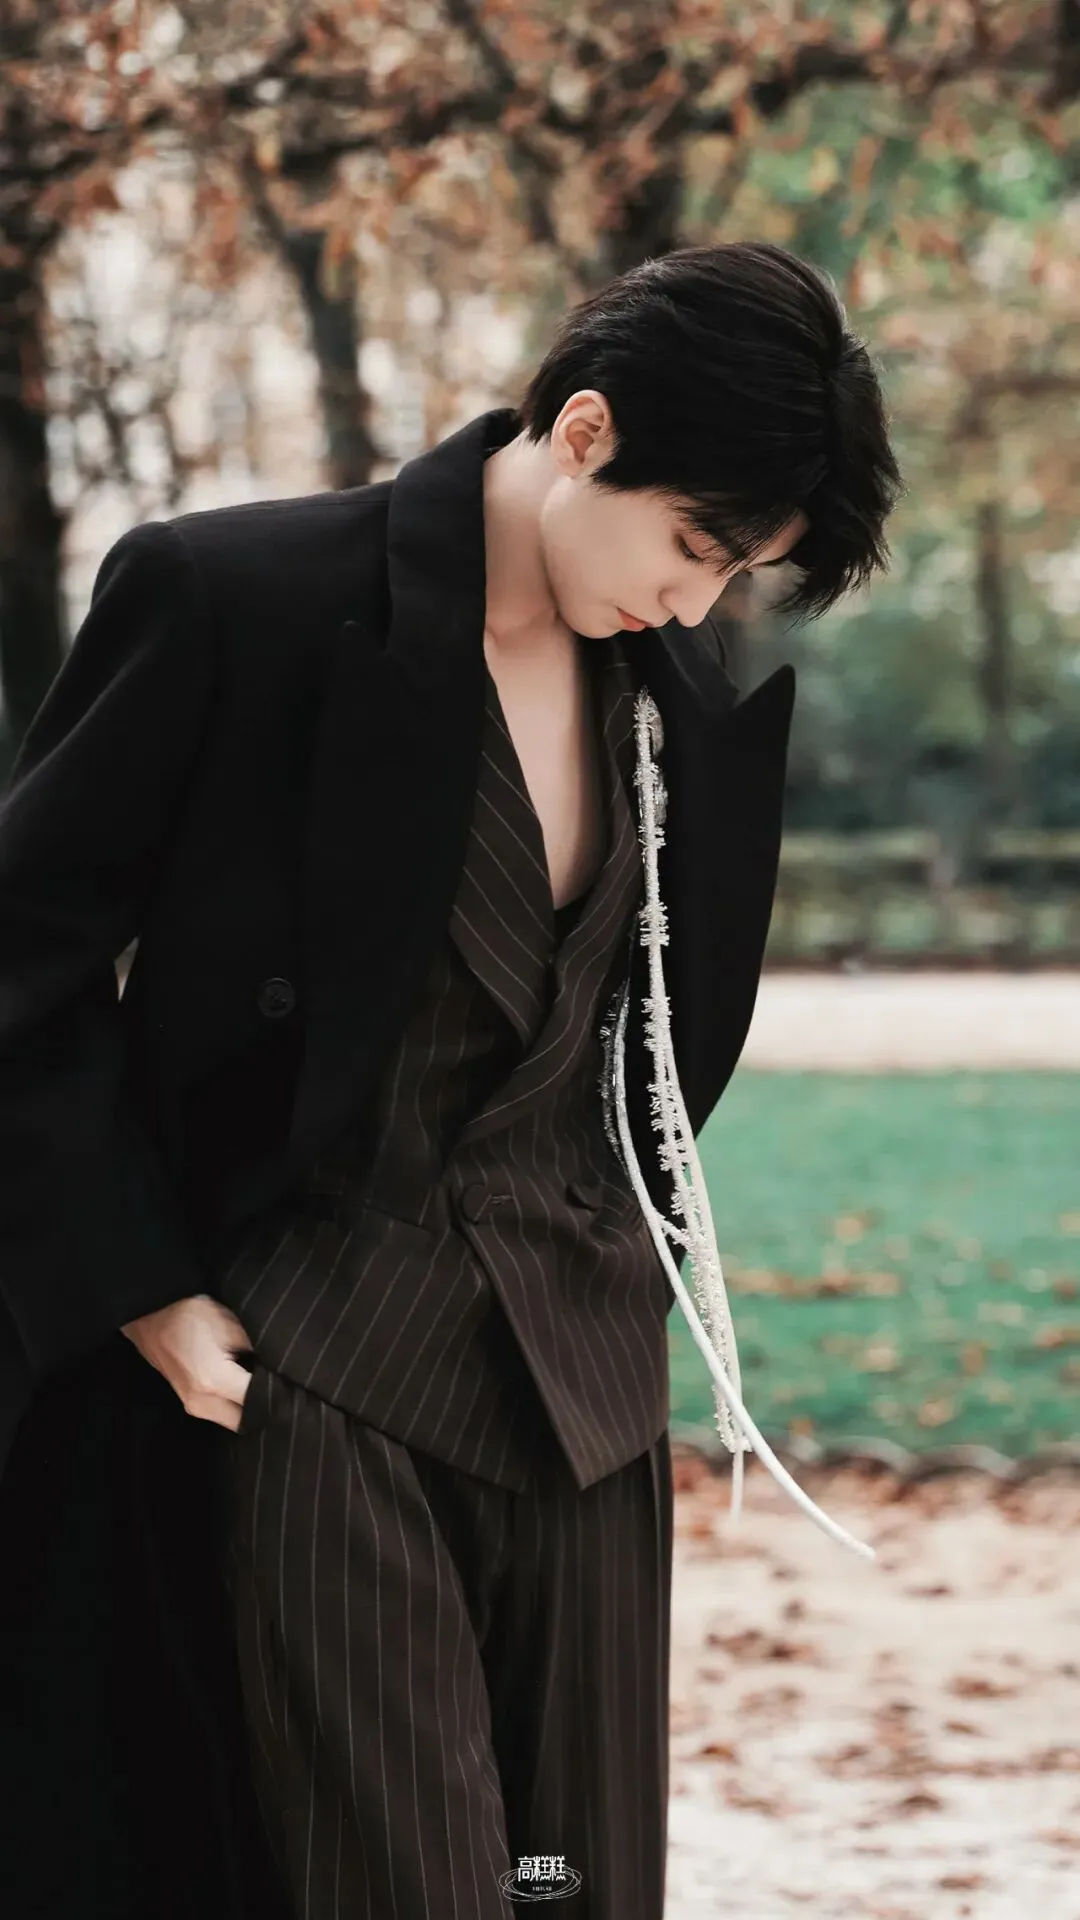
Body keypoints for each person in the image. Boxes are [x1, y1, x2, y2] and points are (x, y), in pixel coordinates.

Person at [0, 241, 902, 1919]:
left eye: (735, 573)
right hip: (315, 1379)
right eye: (693, 545)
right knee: (416, 1885)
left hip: (586, 1398)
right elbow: (21, 965)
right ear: (584, 431)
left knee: (566, 1883)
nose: (695, 602)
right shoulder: (236, 601)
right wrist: (142, 1290)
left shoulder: (667, 682)